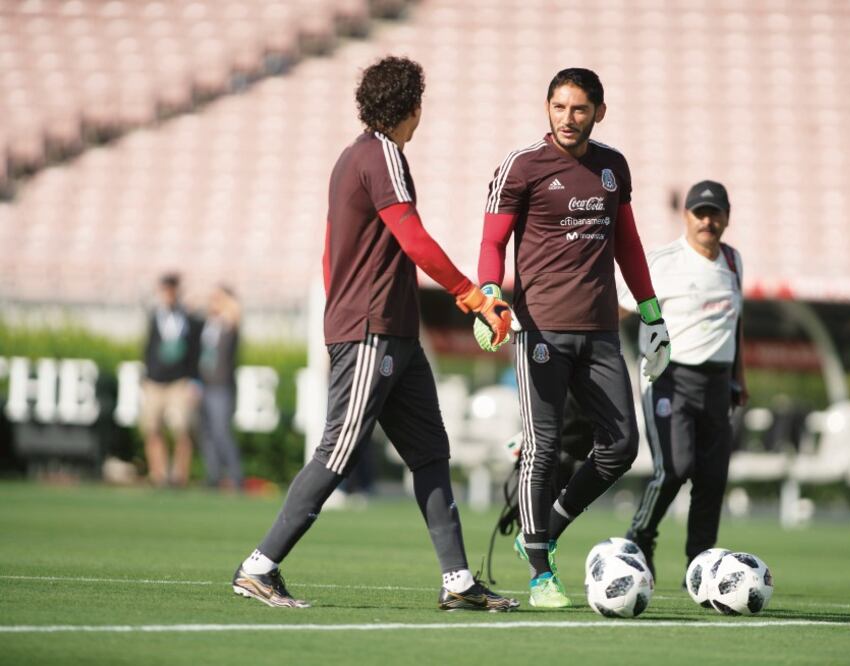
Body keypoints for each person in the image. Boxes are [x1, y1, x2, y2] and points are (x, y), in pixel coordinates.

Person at [232, 56, 518, 612]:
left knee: (430, 453)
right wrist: (472, 296)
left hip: (393, 330)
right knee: (339, 448)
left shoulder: (354, 156)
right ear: (413, 108)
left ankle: (458, 581)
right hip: (372, 329)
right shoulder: (382, 154)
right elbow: (413, 239)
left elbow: (331, 251)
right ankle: (258, 567)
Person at [476, 68, 671, 608]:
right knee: (542, 449)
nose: (568, 117)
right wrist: (489, 293)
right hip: (539, 330)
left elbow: (628, 244)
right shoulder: (522, 166)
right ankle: (541, 575)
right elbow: (492, 242)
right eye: (559, 107)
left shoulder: (613, 166)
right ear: (547, 108)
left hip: (601, 332)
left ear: (599, 113)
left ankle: (546, 529)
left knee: (622, 447)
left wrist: (652, 313)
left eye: (579, 108)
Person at [623, 180, 747, 583]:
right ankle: (640, 538)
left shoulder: (733, 260)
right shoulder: (662, 261)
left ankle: (701, 564)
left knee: (713, 479)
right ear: (686, 216)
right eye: (700, 213)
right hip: (670, 378)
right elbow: (617, 308)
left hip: (718, 385)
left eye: (715, 213)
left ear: (727, 217)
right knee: (674, 469)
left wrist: (738, 376)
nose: (708, 221)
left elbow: (734, 322)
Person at [141, 272, 201, 487]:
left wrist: (195, 381)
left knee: (182, 428)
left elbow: (194, 351)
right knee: (152, 428)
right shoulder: (155, 316)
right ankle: (158, 473)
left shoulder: (188, 318)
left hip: (179, 381)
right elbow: (148, 348)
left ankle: (179, 475)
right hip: (155, 381)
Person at [198, 284, 243, 491]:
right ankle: (213, 475)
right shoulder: (209, 324)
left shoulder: (229, 324)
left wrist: (228, 303)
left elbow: (235, 315)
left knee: (221, 432)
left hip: (221, 385)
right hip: (205, 383)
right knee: (207, 433)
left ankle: (235, 476)